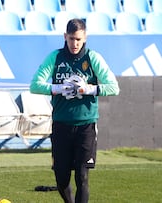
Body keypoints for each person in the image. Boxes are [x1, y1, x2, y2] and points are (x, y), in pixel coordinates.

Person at [30, 18, 120, 203]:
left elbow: (114, 88)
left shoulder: (92, 58)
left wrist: (88, 89)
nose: (75, 43)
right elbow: (34, 85)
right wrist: (58, 88)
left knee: (82, 176)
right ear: (65, 36)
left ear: (85, 37)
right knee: (62, 179)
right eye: (71, 39)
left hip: (85, 125)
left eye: (79, 39)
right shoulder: (55, 57)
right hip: (61, 125)